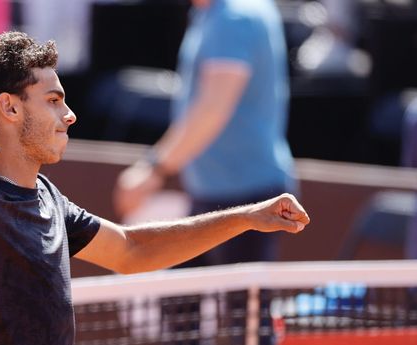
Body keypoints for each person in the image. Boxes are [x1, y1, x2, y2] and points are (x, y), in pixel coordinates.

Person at [0, 31, 310, 345]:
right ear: (9, 109)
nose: (69, 115)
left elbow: (132, 249)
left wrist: (248, 217)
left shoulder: (49, 199)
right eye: (53, 101)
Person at [115, 0, 296, 268]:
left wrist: (154, 169)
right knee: (185, 304)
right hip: (215, 193)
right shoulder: (213, 14)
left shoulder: (234, 18)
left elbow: (213, 108)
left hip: (245, 197)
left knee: (241, 310)